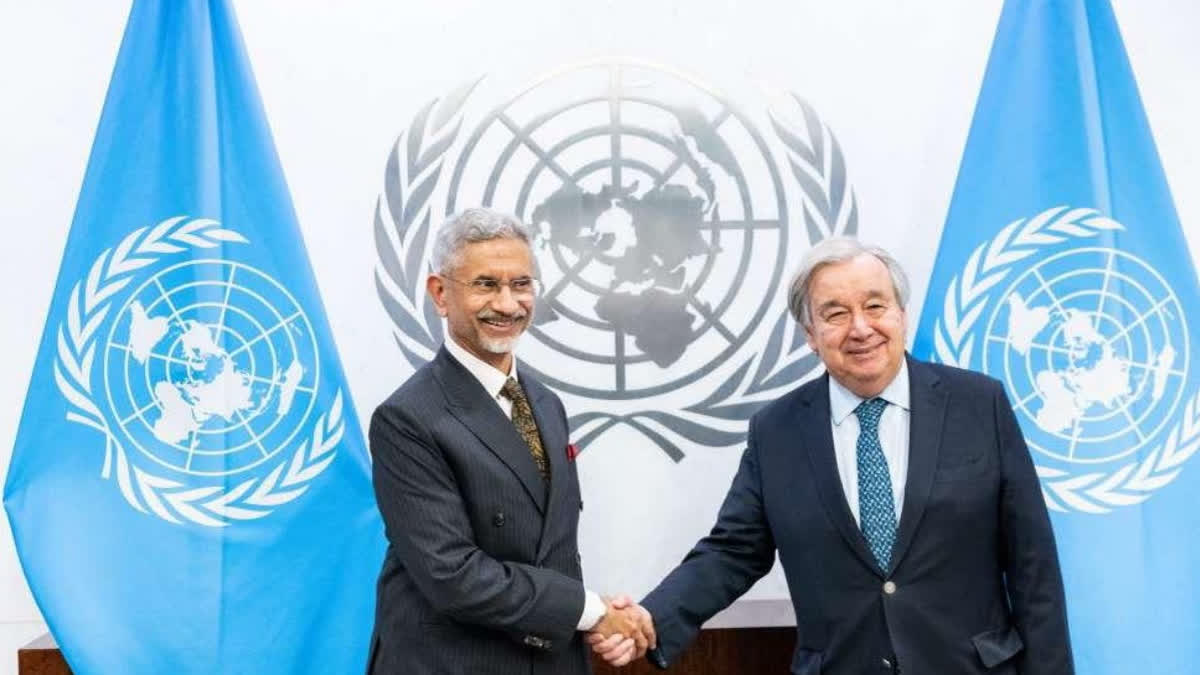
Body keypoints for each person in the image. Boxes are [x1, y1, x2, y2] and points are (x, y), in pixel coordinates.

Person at [593, 237, 1073, 673]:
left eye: (875, 306)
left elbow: (1034, 567)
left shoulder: (979, 405)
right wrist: (650, 616)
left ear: (901, 314)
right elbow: (733, 552)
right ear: (810, 334)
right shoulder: (776, 431)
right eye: (836, 313)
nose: (860, 328)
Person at [368, 208, 652, 674]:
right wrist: (594, 612)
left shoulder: (545, 403)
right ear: (440, 294)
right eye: (485, 284)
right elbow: (452, 575)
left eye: (521, 284)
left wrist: (601, 619)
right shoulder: (407, 420)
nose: (507, 304)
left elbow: (552, 550)